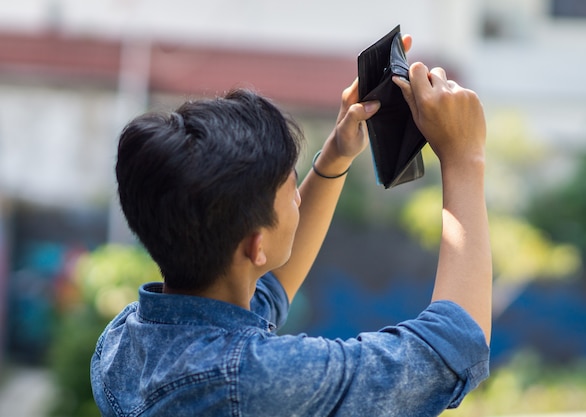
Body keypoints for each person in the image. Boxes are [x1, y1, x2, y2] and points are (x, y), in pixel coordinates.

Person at [91, 34, 492, 417]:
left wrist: (334, 157)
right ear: (255, 245)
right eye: (290, 192)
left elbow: (263, 288)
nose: (299, 197)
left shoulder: (125, 340)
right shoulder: (252, 379)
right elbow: (452, 346)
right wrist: (464, 159)